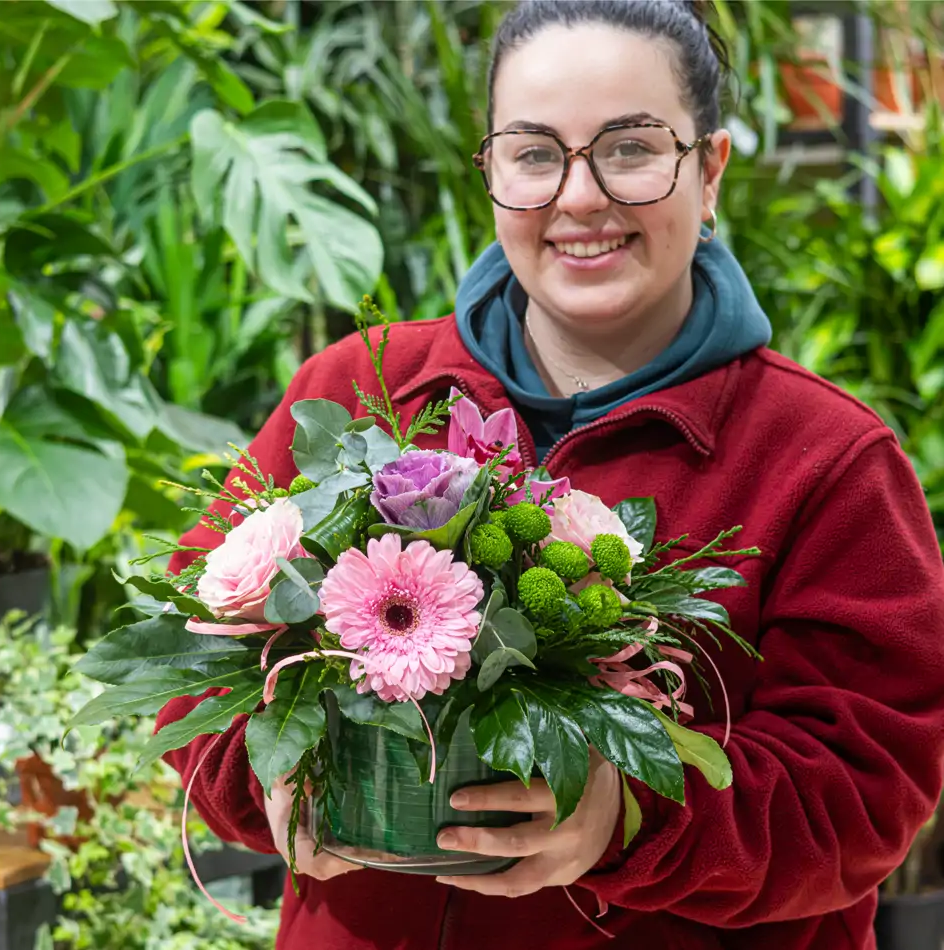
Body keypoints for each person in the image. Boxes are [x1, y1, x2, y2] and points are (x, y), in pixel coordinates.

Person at [158, 1, 944, 948]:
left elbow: (866, 796)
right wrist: (273, 774)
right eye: (535, 154)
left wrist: (631, 814)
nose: (578, 198)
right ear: (489, 173)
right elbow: (188, 663)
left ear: (712, 170)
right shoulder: (359, 395)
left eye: (631, 148)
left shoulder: (825, 460)